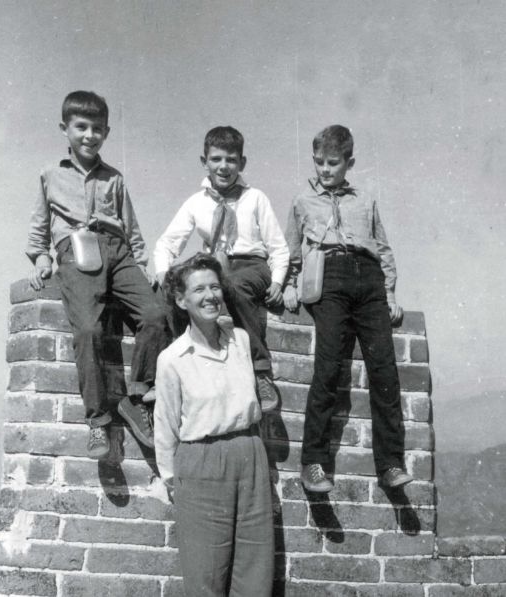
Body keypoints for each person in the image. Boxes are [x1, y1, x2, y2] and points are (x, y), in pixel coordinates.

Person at [26, 90, 169, 458]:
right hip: (75, 252)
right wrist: (41, 259)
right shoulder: (49, 174)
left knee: (155, 314)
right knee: (89, 330)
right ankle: (97, 421)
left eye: (97, 129)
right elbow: (39, 227)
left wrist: (141, 263)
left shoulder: (114, 178)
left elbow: (130, 227)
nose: (89, 135)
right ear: (65, 128)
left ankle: (138, 397)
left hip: (118, 252)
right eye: (81, 127)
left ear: (106, 132)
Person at [283, 125, 413, 491]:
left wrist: (389, 293)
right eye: (319, 162)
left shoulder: (365, 199)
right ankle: (312, 463)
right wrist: (290, 284)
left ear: (349, 163)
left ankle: (390, 464)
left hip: (368, 280)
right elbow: (292, 251)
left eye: (333, 163)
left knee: (384, 371)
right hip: (329, 278)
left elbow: (382, 248)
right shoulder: (302, 201)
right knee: (327, 368)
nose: (325, 170)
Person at [154, 253, 274, 597]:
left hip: (250, 454)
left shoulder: (241, 341)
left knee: (255, 571)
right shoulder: (172, 359)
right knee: (205, 574)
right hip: (201, 463)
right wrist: (171, 479)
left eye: (215, 287)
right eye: (199, 290)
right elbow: (165, 426)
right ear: (181, 301)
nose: (210, 296)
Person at [153, 126, 289, 412]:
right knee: (178, 288)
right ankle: (181, 364)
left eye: (231, 159)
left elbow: (278, 247)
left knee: (234, 286)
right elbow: (167, 243)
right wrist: (164, 272)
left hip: (252, 265)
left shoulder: (256, 198)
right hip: (215, 264)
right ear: (205, 162)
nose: (223, 166)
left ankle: (260, 371)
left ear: (242, 163)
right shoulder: (196, 202)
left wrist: (277, 281)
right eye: (216, 159)